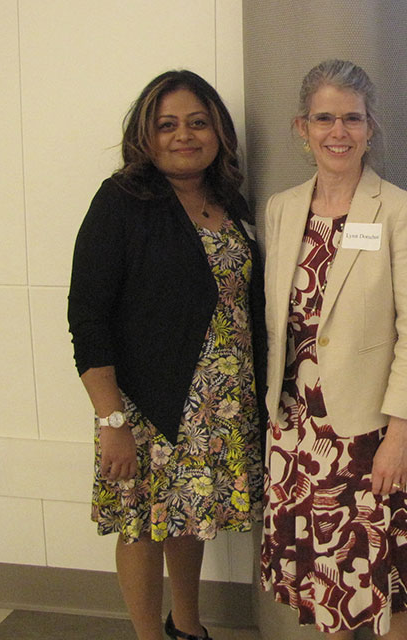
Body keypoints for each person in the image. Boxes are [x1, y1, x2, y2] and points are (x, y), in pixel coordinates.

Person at [68, 70, 266, 640]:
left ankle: (188, 627)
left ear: (218, 132)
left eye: (198, 122)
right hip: (147, 405)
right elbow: (87, 315)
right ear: (145, 136)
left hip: (220, 404)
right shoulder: (122, 200)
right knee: (141, 525)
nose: (184, 135)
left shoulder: (230, 200)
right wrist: (112, 421)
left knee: (189, 518)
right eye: (168, 124)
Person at [261, 59, 407, 639]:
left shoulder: (401, 211)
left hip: (375, 431)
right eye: (324, 118)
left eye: (352, 119)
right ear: (302, 127)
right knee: (326, 583)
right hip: (299, 434)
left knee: (387, 580)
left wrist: (398, 434)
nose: (339, 132)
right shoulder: (281, 209)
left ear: (371, 127)